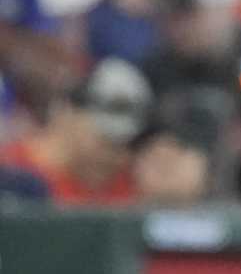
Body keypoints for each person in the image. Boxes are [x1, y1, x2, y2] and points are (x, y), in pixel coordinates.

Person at [0, 55, 150, 204]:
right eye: (107, 139)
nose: (115, 156)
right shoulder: (9, 170)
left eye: (127, 144)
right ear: (68, 114)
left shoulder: (127, 184)